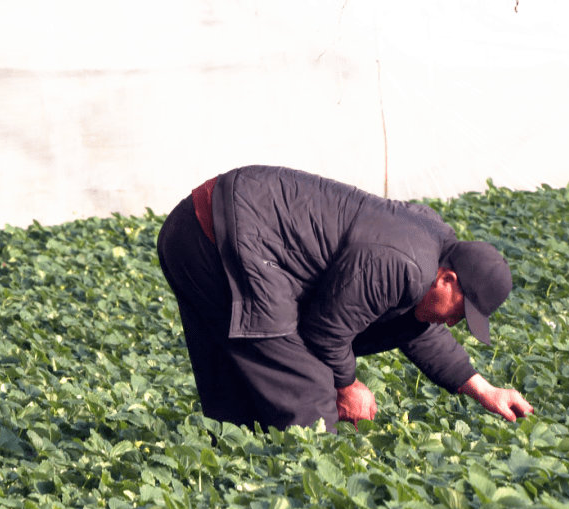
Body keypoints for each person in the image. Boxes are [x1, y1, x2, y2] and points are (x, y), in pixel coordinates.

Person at [156, 165, 533, 432]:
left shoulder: (429, 253)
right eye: (460, 312)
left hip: (203, 229)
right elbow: (325, 332)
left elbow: (416, 328)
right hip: (220, 235)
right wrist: (347, 385)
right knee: (310, 397)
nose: (454, 322)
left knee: (237, 406)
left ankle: (235, 491)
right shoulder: (404, 262)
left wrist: (484, 389)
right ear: (447, 280)